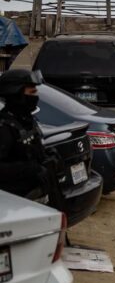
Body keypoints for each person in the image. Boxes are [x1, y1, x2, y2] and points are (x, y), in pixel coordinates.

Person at [0, 69, 58, 201]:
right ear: (16, 94)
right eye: (31, 92)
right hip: (13, 203)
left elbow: (30, 151)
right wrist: (30, 169)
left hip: (35, 196)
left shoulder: (25, 120)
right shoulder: (4, 126)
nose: (35, 97)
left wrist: (48, 156)